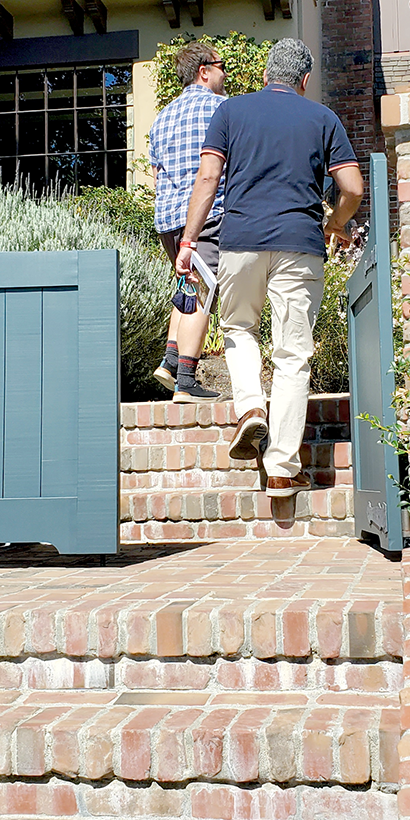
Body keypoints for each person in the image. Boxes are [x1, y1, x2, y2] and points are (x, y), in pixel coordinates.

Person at [174, 37, 363, 491]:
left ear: (263, 76)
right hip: (300, 244)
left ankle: (252, 408)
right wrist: (335, 222)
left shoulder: (230, 112)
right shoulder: (323, 118)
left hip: (241, 242)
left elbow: (207, 178)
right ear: (303, 80)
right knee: (293, 354)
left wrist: (189, 240)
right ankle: (281, 469)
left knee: (239, 329)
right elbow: (353, 188)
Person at [149, 41, 227, 401]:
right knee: (202, 291)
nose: (225, 74)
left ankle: (169, 360)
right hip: (205, 213)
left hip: (168, 220)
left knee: (187, 288)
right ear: (204, 70)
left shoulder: (161, 117)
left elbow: (155, 175)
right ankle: (186, 380)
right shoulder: (222, 109)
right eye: (222, 66)